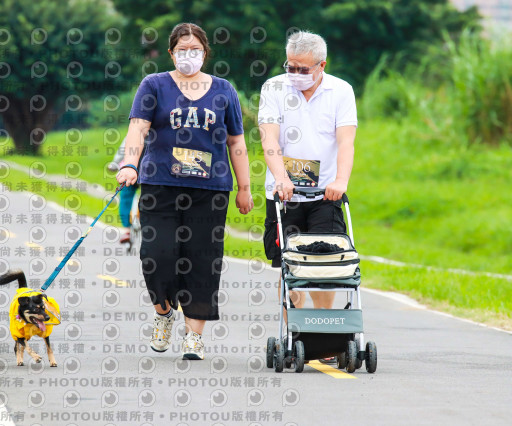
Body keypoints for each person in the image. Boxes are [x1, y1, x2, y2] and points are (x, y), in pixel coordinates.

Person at [116, 23, 253, 360]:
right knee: (156, 256)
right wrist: (130, 164)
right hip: (161, 184)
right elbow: (137, 129)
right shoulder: (154, 85)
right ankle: (164, 312)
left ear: (205, 53)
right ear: (171, 53)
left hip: (210, 190)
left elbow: (236, 141)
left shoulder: (223, 90)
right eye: (182, 50)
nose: (188, 56)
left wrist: (244, 188)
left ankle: (194, 337)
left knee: (202, 261)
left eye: (195, 50)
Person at [258, 31, 357, 358]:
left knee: (326, 266)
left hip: (325, 195)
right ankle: (297, 332)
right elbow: (269, 139)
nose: (296, 74)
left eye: (304, 69)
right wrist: (281, 178)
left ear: (321, 65)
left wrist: (340, 180)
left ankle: (324, 334)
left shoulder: (341, 91)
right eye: (291, 67)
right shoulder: (274, 88)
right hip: (284, 196)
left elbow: (346, 141)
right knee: (290, 266)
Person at [108, 137, 140, 244]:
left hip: (132, 170)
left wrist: (115, 162)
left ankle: (127, 230)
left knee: (126, 197)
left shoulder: (136, 130)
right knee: (127, 195)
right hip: (136, 171)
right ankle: (128, 229)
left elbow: (124, 147)